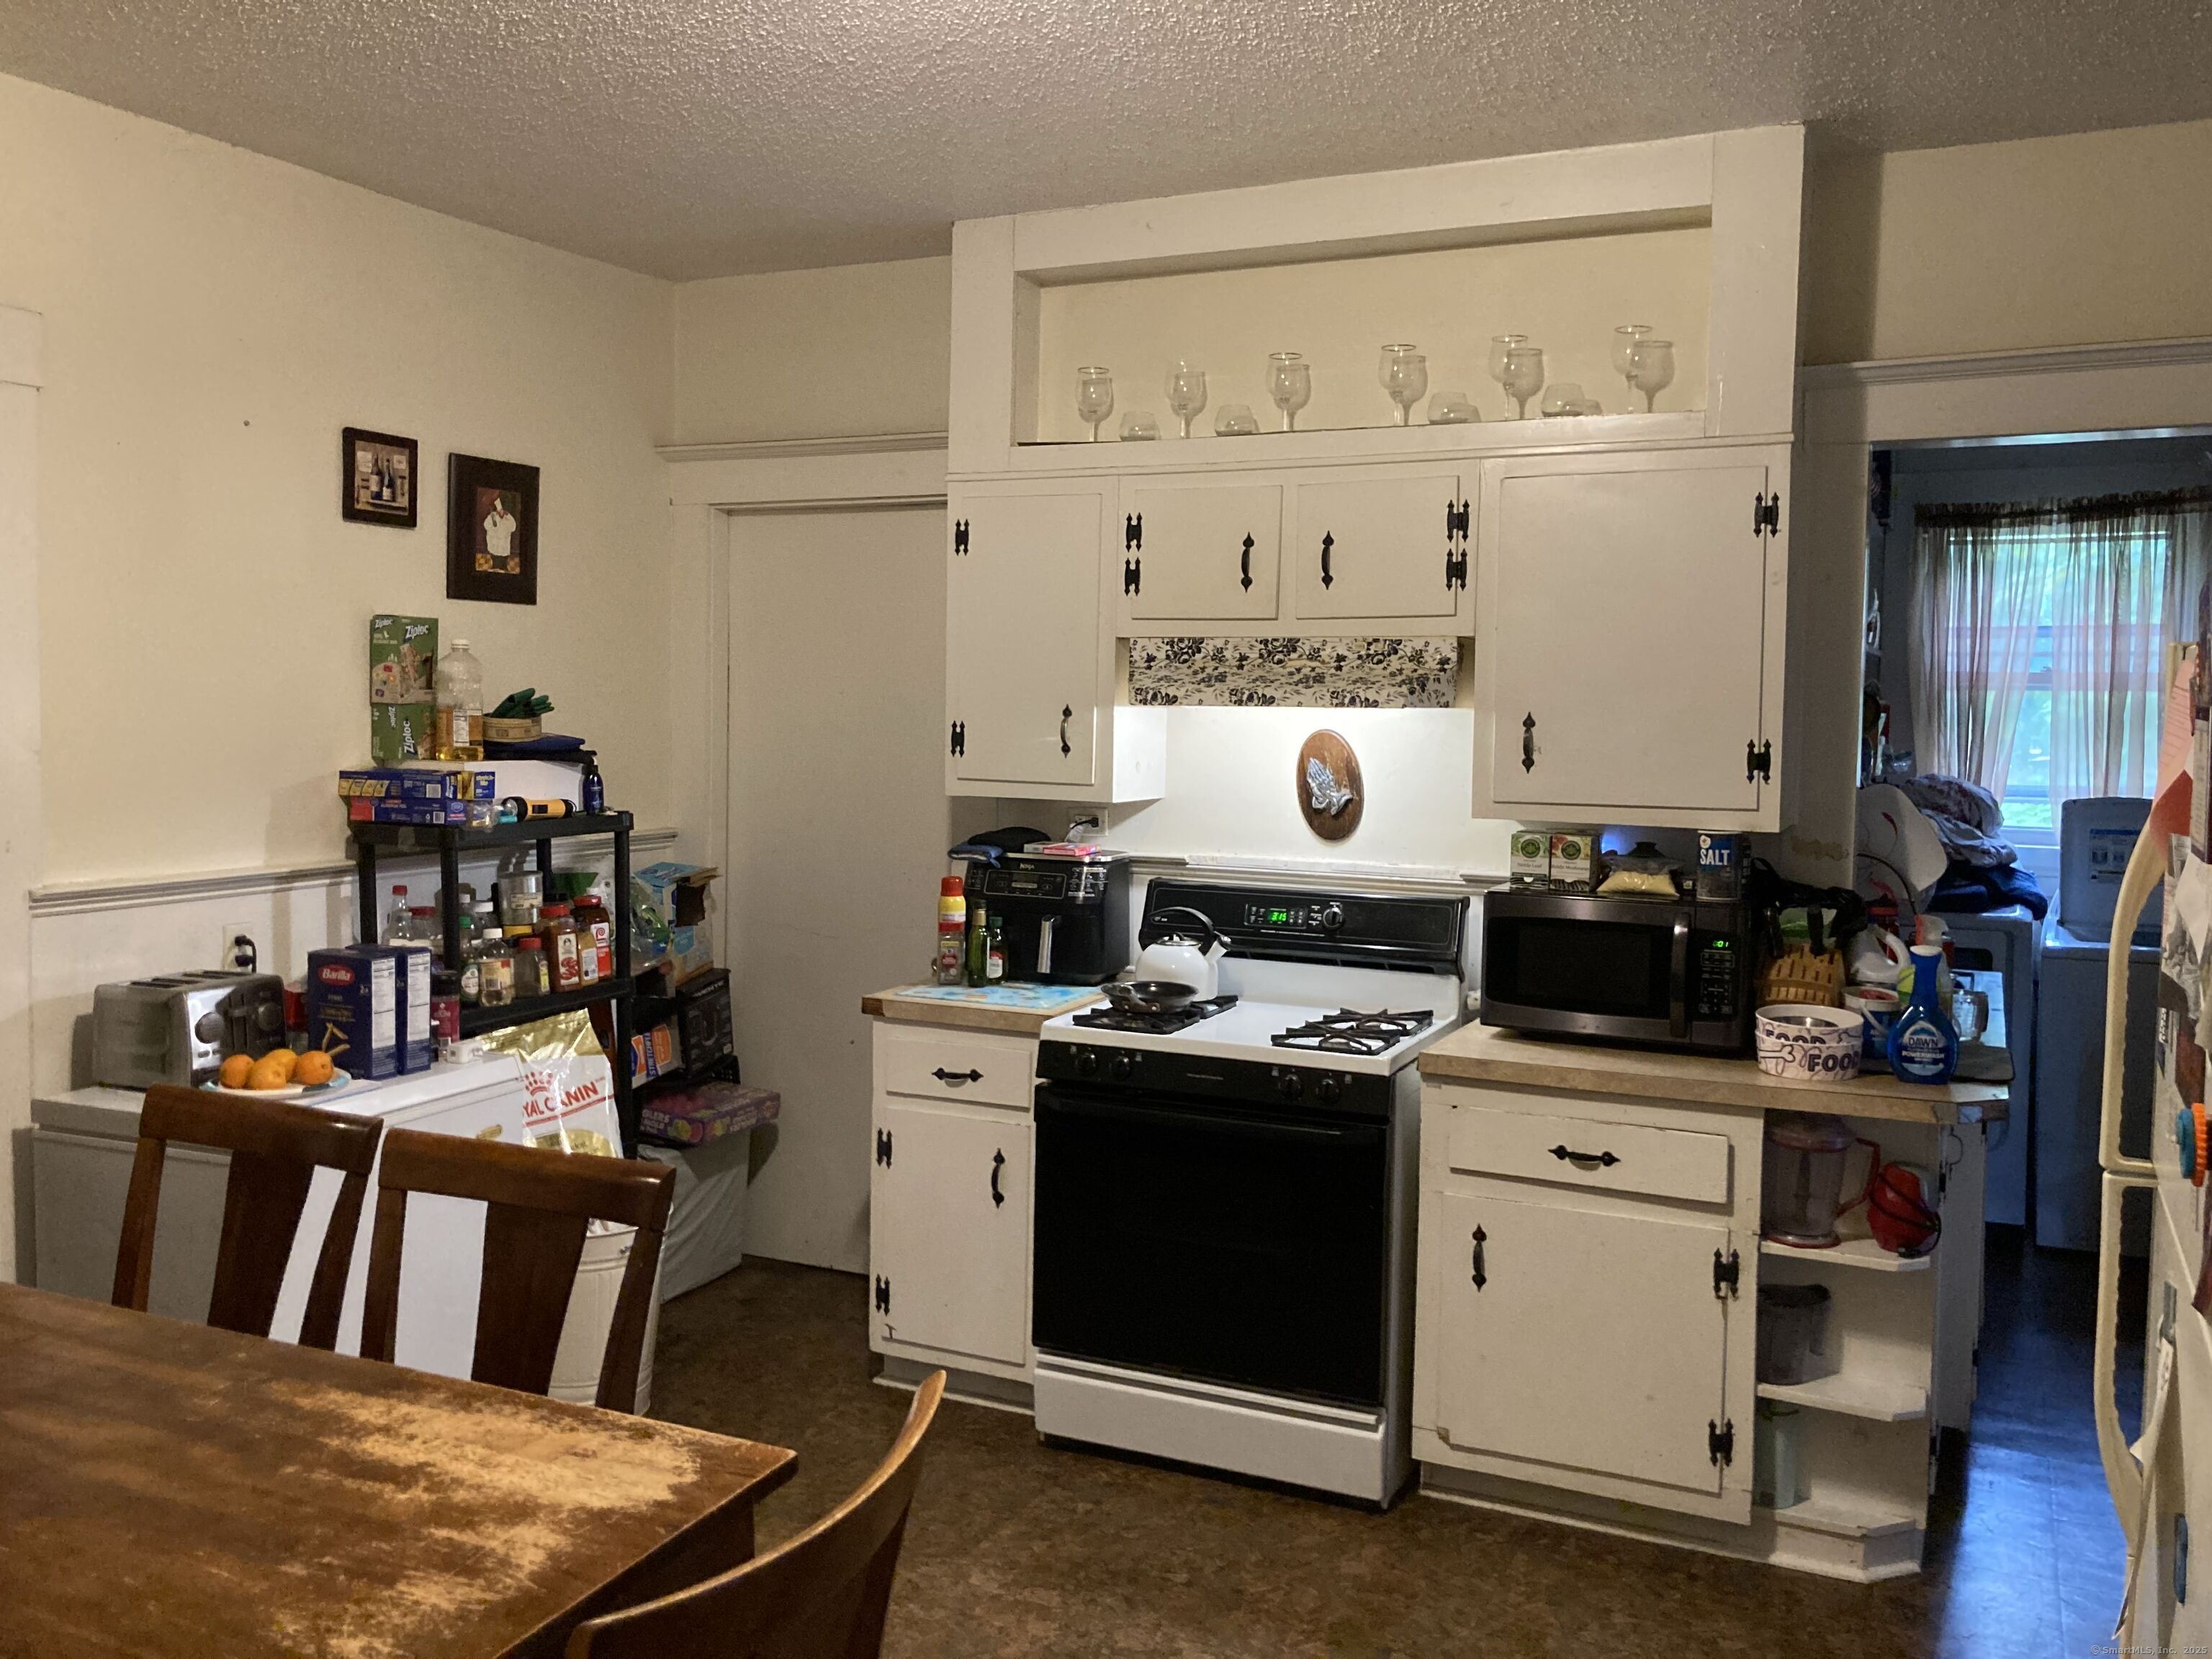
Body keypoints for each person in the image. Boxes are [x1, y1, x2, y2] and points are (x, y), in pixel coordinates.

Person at [482, 493, 519, 572]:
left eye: (503, 511)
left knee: (503, 559)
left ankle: (504, 568)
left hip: (504, 545)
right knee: (495, 558)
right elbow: (486, 525)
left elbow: (513, 527)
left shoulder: (509, 518)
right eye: (500, 511)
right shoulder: (493, 516)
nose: (501, 513)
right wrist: (492, 528)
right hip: (494, 543)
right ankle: (495, 567)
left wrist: (506, 519)